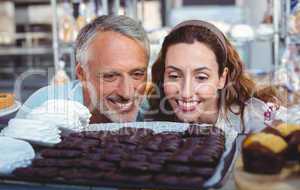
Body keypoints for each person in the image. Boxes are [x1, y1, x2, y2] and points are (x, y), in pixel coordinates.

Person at [148, 20, 280, 133]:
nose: (186, 93)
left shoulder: (256, 122)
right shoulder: (153, 120)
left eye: (201, 77)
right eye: (174, 76)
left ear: (222, 78)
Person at [16, 15, 150, 123]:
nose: (126, 93)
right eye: (110, 76)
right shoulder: (42, 108)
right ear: (82, 73)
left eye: (137, 74)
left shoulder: (151, 114)